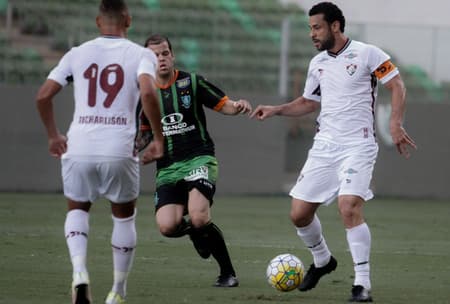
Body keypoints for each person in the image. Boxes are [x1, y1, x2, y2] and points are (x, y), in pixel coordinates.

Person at [250, 2, 416, 302]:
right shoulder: (318, 64)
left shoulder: (368, 53)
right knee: (299, 215)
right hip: (325, 147)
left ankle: (362, 285)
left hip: (359, 145)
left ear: (335, 26)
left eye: (317, 27)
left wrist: (394, 123)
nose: (312, 34)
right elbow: (309, 102)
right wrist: (277, 109)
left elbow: (397, 85)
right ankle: (324, 260)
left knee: (349, 206)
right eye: (310, 28)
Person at [35, 1, 164, 303]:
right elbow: (147, 92)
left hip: (78, 147)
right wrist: (158, 139)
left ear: (98, 22)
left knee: (77, 209)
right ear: (127, 21)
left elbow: (43, 96)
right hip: (119, 148)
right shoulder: (141, 54)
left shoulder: (76, 54)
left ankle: (79, 272)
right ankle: (117, 291)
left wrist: (54, 136)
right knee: (123, 218)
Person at [136, 34, 252, 288]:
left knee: (199, 216)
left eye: (165, 53)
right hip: (167, 168)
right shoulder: (144, 93)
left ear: (173, 55)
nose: (161, 58)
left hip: (198, 157)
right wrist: (134, 150)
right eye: (155, 55)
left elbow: (224, 105)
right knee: (167, 226)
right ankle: (196, 234)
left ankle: (227, 273)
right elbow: (142, 134)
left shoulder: (192, 82)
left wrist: (238, 106)